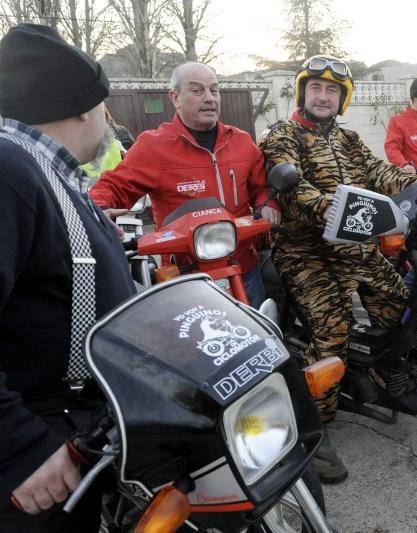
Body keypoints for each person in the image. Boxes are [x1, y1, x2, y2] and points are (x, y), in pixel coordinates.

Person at [0, 24, 136, 532]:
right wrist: (20, 447)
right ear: (84, 105)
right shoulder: (9, 169)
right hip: (35, 463)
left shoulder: (45, 170)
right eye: (105, 106)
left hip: (70, 431)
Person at [260, 55, 417, 484]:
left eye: (332, 91)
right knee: (333, 330)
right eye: (316, 89)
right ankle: (315, 426)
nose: (323, 96)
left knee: (400, 300)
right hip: (304, 249)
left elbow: (380, 172)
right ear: (303, 93)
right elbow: (296, 191)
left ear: (342, 99)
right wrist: (339, 209)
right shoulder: (282, 134)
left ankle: (380, 370)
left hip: (355, 245)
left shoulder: (349, 139)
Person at [89, 62, 279, 307]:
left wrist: (269, 203)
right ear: (175, 97)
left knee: (258, 337)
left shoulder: (241, 141)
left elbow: (262, 187)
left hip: (243, 269)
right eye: (197, 91)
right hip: (185, 276)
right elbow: (113, 185)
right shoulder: (154, 146)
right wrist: (99, 208)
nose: (210, 98)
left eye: (215, 90)